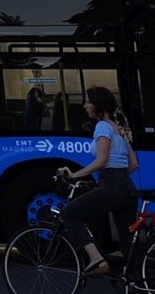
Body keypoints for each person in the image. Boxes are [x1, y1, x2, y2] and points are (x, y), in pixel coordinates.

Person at [56, 86, 140, 277]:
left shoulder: (102, 126)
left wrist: (74, 175)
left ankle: (97, 259)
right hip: (127, 187)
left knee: (69, 213)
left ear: (97, 105)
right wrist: (119, 178)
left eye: (88, 102)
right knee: (128, 243)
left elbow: (101, 161)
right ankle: (140, 284)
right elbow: (134, 164)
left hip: (111, 185)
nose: (85, 106)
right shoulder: (119, 128)